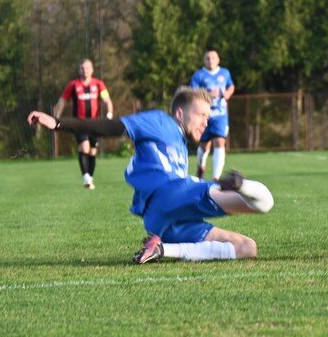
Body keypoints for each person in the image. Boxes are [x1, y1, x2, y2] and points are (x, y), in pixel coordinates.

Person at [28, 87, 273, 263]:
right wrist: (59, 124)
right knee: (263, 203)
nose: (206, 122)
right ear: (179, 113)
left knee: (246, 248)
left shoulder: (177, 141)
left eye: (208, 117)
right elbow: (114, 127)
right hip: (172, 195)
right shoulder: (160, 122)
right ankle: (240, 184)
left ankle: (163, 250)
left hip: (163, 220)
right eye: (201, 115)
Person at [54, 59, 114, 189]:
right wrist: (56, 117)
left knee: (92, 151)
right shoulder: (73, 85)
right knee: (84, 147)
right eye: (82, 68)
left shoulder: (99, 84)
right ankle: (86, 177)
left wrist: (109, 114)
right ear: (79, 70)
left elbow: (107, 100)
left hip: (95, 123)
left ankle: (89, 178)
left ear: (92, 70)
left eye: (87, 68)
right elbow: (62, 101)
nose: (84, 70)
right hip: (79, 123)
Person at [189, 50, 235, 181]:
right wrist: (208, 94)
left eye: (213, 58)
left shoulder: (224, 73)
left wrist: (227, 93)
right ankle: (200, 165)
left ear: (218, 59)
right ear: (204, 60)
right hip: (204, 115)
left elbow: (231, 86)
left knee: (219, 142)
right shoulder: (198, 75)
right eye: (208, 58)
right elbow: (193, 93)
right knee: (204, 145)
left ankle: (216, 177)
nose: (211, 61)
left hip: (220, 114)